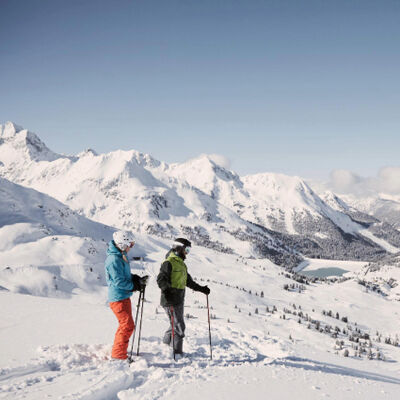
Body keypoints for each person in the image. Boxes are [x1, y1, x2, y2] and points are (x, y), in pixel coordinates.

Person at [157, 238, 210, 356]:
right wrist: (167, 290)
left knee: (175, 325)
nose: (187, 252)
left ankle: (165, 347)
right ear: (179, 248)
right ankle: (177, 353)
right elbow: (161, 279)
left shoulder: (181, 264)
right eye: (186, 249)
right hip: (170, 299)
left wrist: (201, 289)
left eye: (189, 250)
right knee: (179, 326)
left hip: (179, 299)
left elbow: (188, 282)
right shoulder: (168, 262)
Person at [105, 230, 148, 361]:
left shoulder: (120, 255)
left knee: (126, 325)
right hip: (118, 298)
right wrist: (135, 286)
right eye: (131, 244)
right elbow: (119, 282)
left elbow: (125, 276)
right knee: (127, 326)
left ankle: (119, 352)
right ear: (123, 243)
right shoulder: (114, 260)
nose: (131, 247)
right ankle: (118, 356)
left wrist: (136, 279)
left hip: (123, 297)